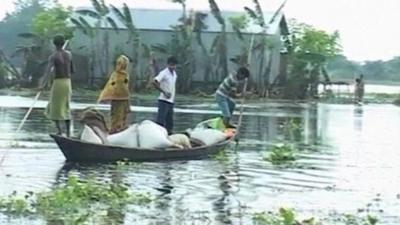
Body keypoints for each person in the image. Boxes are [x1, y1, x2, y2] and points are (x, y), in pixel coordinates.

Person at [40, 34, 73, 137]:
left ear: (54, 44)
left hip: (58, 83)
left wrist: (42, 84)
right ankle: (68, 133)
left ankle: (59, 131)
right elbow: (72, 70)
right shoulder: (69, 55)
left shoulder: (53, 56)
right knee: (66, 107)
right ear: (63, 43)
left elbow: (47, 72)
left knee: (53, 108)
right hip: (67, 83)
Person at [98, 55, 131, 134]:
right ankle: (115, 129)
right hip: (118, 98)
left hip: (123, 98)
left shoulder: (122, 75)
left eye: (120, 64)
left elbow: (118, 86)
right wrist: (105, 96)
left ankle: (118, 129)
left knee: (120, 115)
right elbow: (110, 86)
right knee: (116, 115)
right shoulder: (118, 75)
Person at [152, 56, 178, 135]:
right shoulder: (164, 73)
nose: (172, 67)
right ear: (168, 64)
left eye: (174, 65)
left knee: (170, 122)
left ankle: (169, 135)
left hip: (171, 101)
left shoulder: (175, 74)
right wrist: (164, 92)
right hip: (163, 101)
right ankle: (157, 135)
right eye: (171, 65)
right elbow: (154, 82)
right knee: (161, 121)